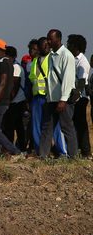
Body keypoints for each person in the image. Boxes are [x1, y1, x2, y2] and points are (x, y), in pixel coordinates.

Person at [39, 29, 78, 159]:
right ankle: (42, 156)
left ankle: (72, 157)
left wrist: (62, 100)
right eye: (48, 39)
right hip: (51, 99)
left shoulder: (66, 56)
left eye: (51, 39)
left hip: (63, 100)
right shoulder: (51, 55)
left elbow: (68, 80)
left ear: (59, 39)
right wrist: (49, 97)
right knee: (46, 129)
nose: (49, 41)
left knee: (67, 128)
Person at [67, 34, 90, 158]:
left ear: (75, 46)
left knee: (81, 125)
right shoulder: (73, 59)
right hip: (75, 96)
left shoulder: (82, 62)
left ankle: (86, 153)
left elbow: (81, 81)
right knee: (75, 124)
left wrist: (74, 98)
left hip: (80, 98)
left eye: (69, 44)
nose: (67, 46)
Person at [2, 46, 28, 152]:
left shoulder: (15, 68)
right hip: (15, 102)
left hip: (16, 102)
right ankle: (18, 148)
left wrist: (9, 100)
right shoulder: (13, 66)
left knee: (11, 126)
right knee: (17, 126)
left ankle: (12, 149)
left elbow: (15, 86)